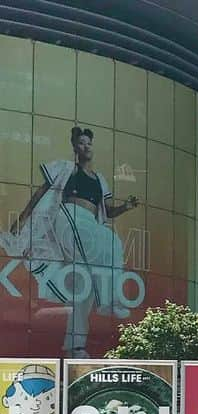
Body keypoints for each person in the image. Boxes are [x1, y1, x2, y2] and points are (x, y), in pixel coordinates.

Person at [1, 127, 139, 358]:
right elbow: (40, 194)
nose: (86, 147)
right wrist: (21, 220)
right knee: (106, 241)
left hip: (91, 226)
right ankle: (109, 298)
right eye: (81, 143)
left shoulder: (100, 180)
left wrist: (126, 207)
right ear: (75, 146)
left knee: (85, 288)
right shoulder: (65, 169)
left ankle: (75, 346)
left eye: (89, 143)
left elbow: (109, 211)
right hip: (67, 217)